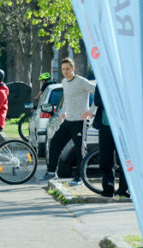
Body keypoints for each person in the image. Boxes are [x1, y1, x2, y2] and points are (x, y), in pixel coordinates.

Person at [37, 57, 96, 185]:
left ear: (73, 69)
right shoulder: (64, 81)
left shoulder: (81, 81)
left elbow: (97, 91)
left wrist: (92, 110)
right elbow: (67, 99)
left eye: (68, 69)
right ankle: (52, 173)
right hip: (68, 121)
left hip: (80, 121)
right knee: (54, 143)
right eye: (63, 69)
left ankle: (81, 178)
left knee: (80, 150)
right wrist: (63, 112)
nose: (65, 71)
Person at [85, 86, 128, 197]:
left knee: (123, 160)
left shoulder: (122, 81)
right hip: (105, 126)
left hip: (122, 128)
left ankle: (123, 189)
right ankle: (108, 188)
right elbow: (98, 101)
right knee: (105, 160)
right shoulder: (101, 83)